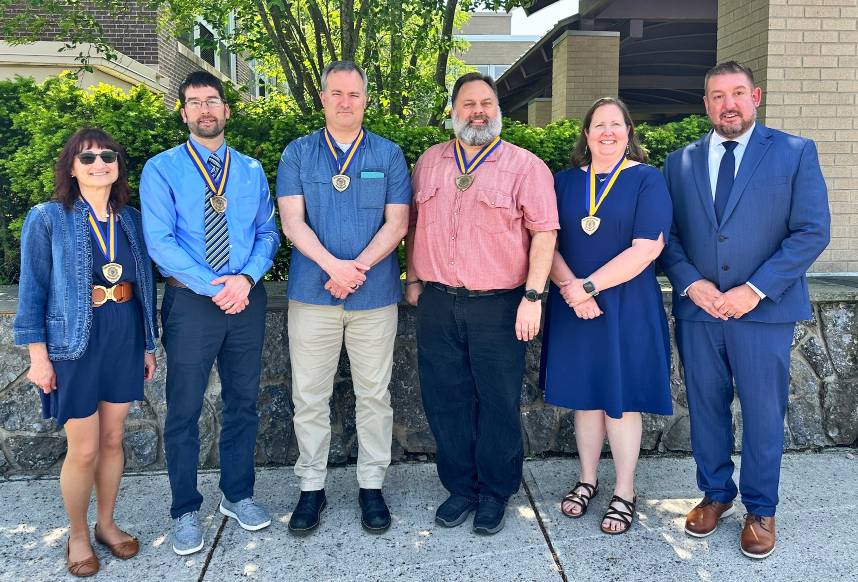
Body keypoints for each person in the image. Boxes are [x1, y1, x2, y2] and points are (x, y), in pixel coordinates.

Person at [661, 61, 830, 559]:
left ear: (755, 97)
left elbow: (812, 231)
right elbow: (665, 238)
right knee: (706, 409)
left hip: (763, 311)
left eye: (737, 93)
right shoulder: (680, 162)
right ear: (706, 103)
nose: (727, 104)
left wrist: (753, 289)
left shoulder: (795, 152)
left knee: (762, 413)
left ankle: (761, 509)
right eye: (717, 95)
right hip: (700, 311)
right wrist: (691, 285)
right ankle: (715, 494)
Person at [405, 72, 558, 535]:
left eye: (486, 103)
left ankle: (495, 491)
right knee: (445, 399)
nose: (478, 111)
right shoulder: (428, 163)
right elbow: (412, 224)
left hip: (499, 305)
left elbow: (544, 234)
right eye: (468, 103)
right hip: (436, 301)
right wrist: (412, 278)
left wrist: (533, 296)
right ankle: (460, 488)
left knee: (496, 401)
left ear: (498, 110)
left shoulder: (526, 166)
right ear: (453, 111)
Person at [140, 71, 280, 555]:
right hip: (192, 303)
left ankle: (238, 494)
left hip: (245, 298)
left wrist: (245, 280)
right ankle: (184, 510)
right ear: (184, 113)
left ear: (226, 110)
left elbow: (268, 233)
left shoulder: (251, 170)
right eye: (195, 102)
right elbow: (160, 242)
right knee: (184, 409)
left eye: (213, 101)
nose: (205, 110)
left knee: (243, 403)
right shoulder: (161, 169)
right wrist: (214, 286)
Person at [14, 128, 158, 577]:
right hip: (73, 342)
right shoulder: (48, 218)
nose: (100, 163)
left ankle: (107, 524)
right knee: (83, 448)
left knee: (114, 439)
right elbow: (32, 291)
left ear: (118, 166)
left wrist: (148, 344)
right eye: (88, 157)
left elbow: (147, 285)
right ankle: (77, 534)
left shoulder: (131, 219)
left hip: (124, 335)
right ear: (71, 167)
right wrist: (38, 356)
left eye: (108, 156)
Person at [276, 61, 411, 535]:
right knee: (309, 396)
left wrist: (355, 271)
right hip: (313, 294)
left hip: (373, 298)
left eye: (354, 94)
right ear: (322, 97)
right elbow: (292, 222)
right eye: (336, 93)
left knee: (374, 395)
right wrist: (334, 268)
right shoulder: (297, 154)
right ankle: (311, 488)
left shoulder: (389, 154)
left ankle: (371, 485)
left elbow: (398, 223)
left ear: (366, 99)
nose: (345, 102)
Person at [538, 97, 673, 535]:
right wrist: (571, 291)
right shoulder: (563, 182)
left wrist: (588, 287)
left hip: (626, 305)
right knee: (587, 398)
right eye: (599, 125)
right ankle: (588, 479)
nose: (607, 132)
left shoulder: (647, 180)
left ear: (629, 132)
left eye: (616, 124)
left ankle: (625, 490)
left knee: (620, 400)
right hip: (574, 302)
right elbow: (546, 242)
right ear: (587, 133)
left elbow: (647, 249)